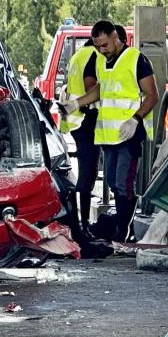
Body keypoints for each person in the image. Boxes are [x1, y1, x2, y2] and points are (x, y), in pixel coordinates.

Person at [58, 20, 158, 242]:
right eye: (97, 46)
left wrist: (136, 119)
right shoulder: (102, 62)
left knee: (123, 183)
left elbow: (152, 94)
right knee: (113, 182)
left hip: (130, 134)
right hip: (108, 135)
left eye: (104, 45)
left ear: (115, 37)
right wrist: (77, 103)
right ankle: (122, 228)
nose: (101, 50)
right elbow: (101, 90)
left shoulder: (136, 59)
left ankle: (123, 231)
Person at [59, 38, 100, 239]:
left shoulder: (77, 56)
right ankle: (82, 227)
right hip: (87, 119)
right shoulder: (93, 55)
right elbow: (91, 85)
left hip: (76, 122)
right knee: (87, 175)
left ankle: (80, 225)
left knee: (85, 174)